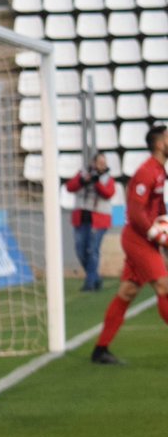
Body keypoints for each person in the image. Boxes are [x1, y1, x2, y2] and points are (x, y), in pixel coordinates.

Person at [92, 126, 168, 365]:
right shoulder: (146, 172)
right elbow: (134, 211)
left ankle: (100, 350)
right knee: (165, 287)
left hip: (145, 239)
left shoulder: (159, 171)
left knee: (127, 292)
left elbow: (156, 208)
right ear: (158, 144)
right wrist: (156, 234)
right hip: (138, 239)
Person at [66, 153, 115, 292]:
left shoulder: (107, 178)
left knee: (92, 250)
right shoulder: (82, 174)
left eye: (103, 162)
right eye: (99, 162)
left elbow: (109, 193)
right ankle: (95, 278)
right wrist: (83, 180)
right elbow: (70, 187)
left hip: (99, 219)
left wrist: (96, 182)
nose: (102, 165)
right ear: (93, 163)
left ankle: (90, 283)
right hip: (81, 218)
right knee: (80, 250)